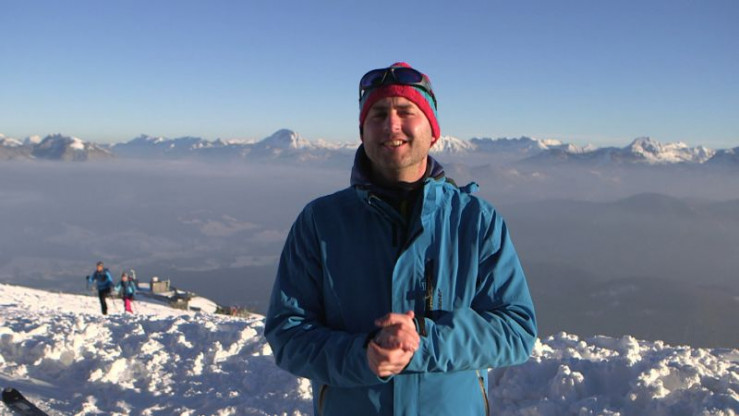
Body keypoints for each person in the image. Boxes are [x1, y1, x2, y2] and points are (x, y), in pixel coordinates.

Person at [265, 62, 537, 415]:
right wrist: (362, 355)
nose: (391, 125)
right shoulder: (319, 222)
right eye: (378, 114)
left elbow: (516, 331)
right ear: (363, 131)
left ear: (432, 131)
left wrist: (423, 340)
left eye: (406, 112)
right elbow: (288, 334)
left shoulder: (475, 221)